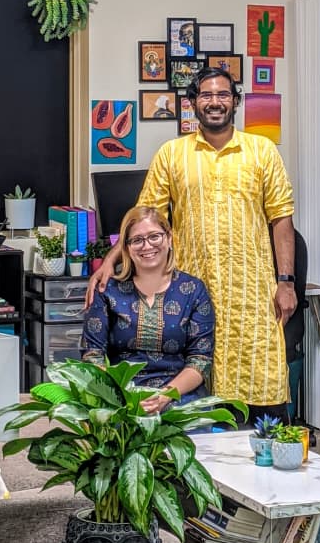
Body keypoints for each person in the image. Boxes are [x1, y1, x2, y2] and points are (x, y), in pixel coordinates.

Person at [87, 66, 297, 424]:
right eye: (206, 95)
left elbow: (281, 219)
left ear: (235, 101)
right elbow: (145, 216)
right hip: (191, 291)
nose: (215, 103)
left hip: (251, 291)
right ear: (193, 103)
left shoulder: (262, 152)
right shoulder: (172, 155)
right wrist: (111, 259)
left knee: (259, 386)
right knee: (199, 385)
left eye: (223, 95)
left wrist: (286, 281)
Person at [81, 205, 214, 415]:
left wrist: (164, 396)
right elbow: (92, 355)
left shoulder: (193, 290)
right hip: (120, 396)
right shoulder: (108, 291)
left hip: (179, 394)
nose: (147, 246)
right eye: (137, 240)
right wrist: (126, 397)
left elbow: (200, 361)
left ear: (169, 239)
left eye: (155, 236)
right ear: (126, 248)